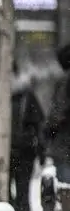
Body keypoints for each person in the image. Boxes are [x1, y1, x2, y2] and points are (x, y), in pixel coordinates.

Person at [0, 64, 46, 211]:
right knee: (22, 194)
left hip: (7, 154)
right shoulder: (26, 94)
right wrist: (40, 151)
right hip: (24, 152)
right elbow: (39, 124)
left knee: (6, 195)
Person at [44, 44, 70, 181]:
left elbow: (58, 111)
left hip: (65, 145)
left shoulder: (65, 81)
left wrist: (48, 130)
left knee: (65, 191)